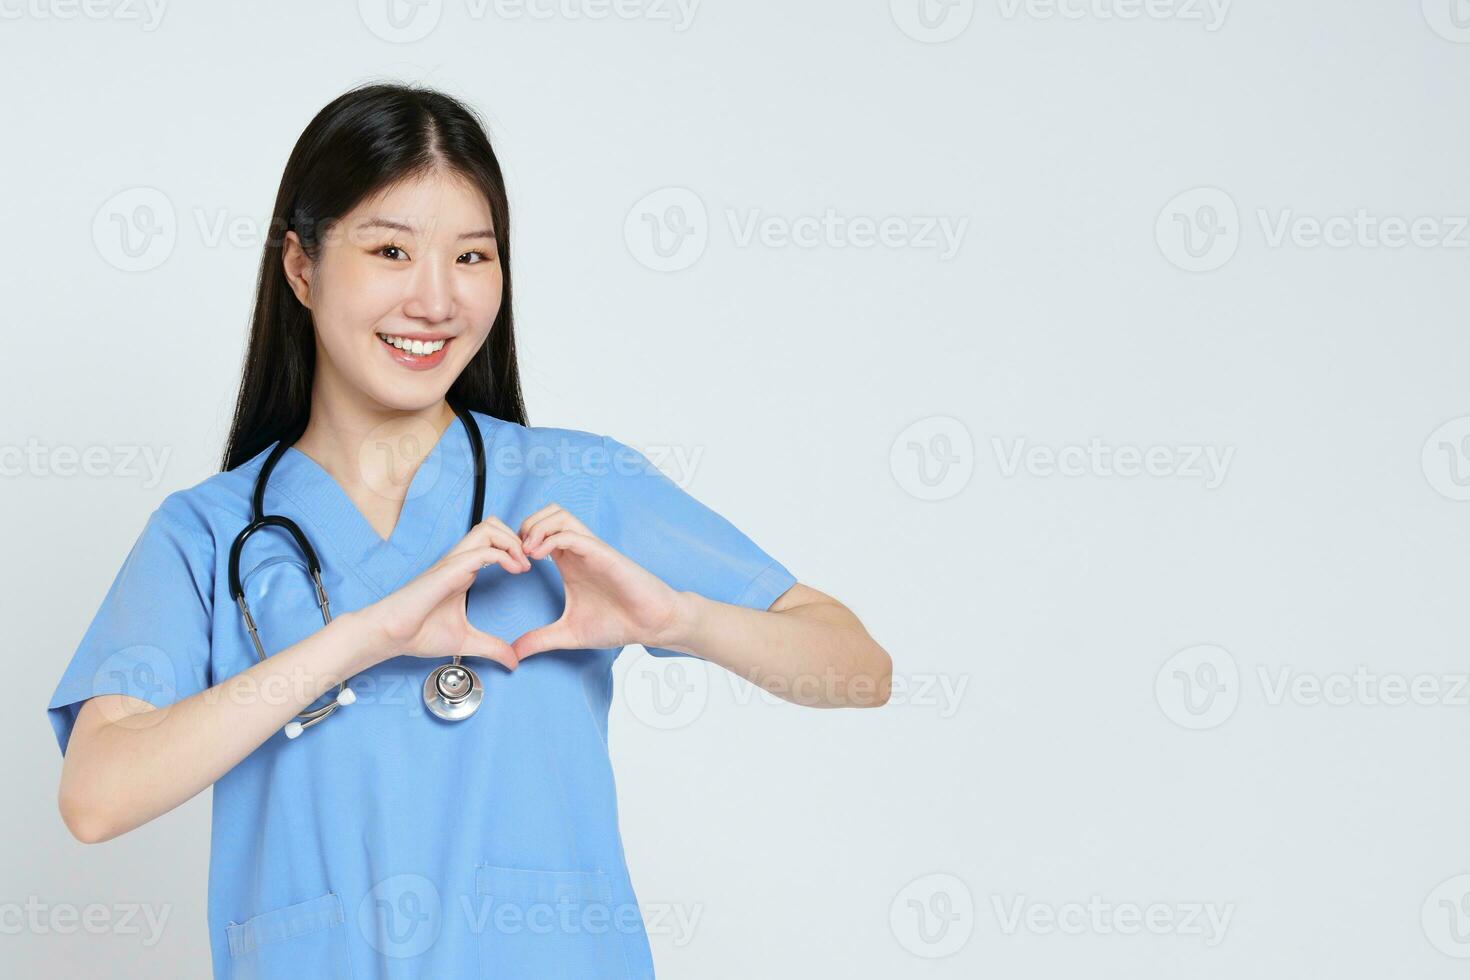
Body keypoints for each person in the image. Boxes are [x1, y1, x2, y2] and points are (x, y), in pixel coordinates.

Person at [46, 81, 892, 978]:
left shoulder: (569, 485)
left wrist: (678, 619)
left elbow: (857, 669)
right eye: (390, 250)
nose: (437, 301)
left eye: (474, 257)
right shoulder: (211, 534)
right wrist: (360, 640)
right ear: (301, 267)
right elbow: (96, 796)